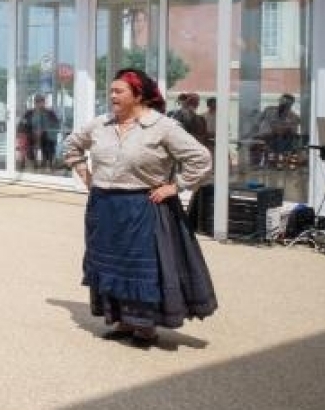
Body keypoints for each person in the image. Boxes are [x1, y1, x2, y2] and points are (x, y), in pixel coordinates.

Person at [63, 68, 218, 348]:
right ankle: (122, 320)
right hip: (104, 208)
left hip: (141, 208)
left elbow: (201, 158)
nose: (112, 96)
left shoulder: (162, 126)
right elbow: (72, 145)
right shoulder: (100, 124)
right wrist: (84, 173)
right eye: (110, 91)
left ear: (139, 95)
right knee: (111, 266)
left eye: (118, 91)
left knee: (139, 269)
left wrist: (175, 186)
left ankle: (145, 327)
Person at [252, 93, 302, 170]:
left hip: (282, 140)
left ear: (291, 104)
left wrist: (284, 130)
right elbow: (257, 123)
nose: (282, 104)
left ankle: (276, 163)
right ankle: (262, 163)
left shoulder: (294, 117)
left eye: (286, 103)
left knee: (282, 138)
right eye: (281, 101)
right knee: (260, 141)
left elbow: (293, 131)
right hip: (266, 137)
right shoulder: (269, 110)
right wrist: (259, 132)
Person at [17, 94, 62, 169]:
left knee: (48, 143)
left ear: (44, 102)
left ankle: (47, 161)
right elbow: (23, 124)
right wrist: (30, 131)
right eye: (37, 102)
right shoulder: (29, 113)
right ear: (35, 103)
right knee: (27, 142)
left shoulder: (49, 113)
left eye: (41, 102)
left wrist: (45, 131)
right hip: (32, 135)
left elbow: (56, 124)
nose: (39, 104)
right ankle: (32, 161)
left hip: (46, 135)